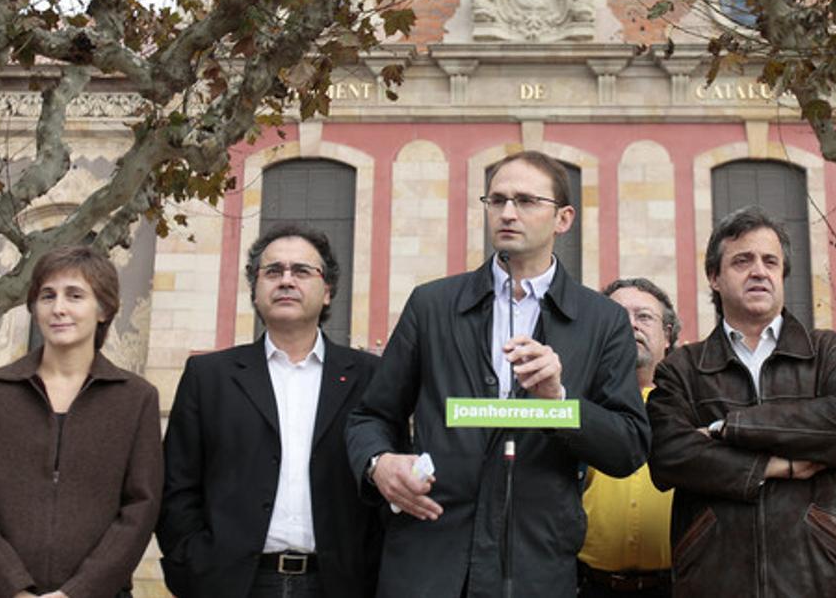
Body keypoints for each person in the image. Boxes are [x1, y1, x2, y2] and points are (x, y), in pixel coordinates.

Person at [345, 150, 650, 598]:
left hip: (534, 567)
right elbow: (370, 416)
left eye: (526, 201)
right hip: (429, 561)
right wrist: (379, 464)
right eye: (497, 200)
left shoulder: (602, 321)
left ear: (563, 219)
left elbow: (627, 447)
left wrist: (559, 406)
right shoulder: (431, 305)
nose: (508, 212)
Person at [646, 205, 836, 598]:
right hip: (715, 580)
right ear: (714, 277)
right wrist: (775, 465)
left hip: (822, 577)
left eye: (770, 261)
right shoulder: (682, 368)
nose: (759, 271)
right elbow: (668, 455)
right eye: (742, 261)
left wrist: (725, 429)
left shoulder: (830, 353)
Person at [157, 225, 382, 598]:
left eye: (302, 271)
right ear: (255, 290)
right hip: (232, 583)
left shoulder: (369, 377)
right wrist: (195, 565)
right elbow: (177, 487)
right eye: (273, 271)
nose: (286, 280)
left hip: (339, 583)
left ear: (327, 292)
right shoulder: (209, 377)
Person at [0, 246, 162, 598]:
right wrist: (14, 589)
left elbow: (140, 510)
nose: (59, 308)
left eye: (75, 296)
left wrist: (77, 593)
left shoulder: (136, 399)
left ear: (103, 309)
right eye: (47, 295)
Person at [577, 278, 679, 598]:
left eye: (644, 317)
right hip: (587, 586)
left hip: (676, 586)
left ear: (669, 336)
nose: (630, 325)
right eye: (617, 316)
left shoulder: (691, 406)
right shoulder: (573, 404)